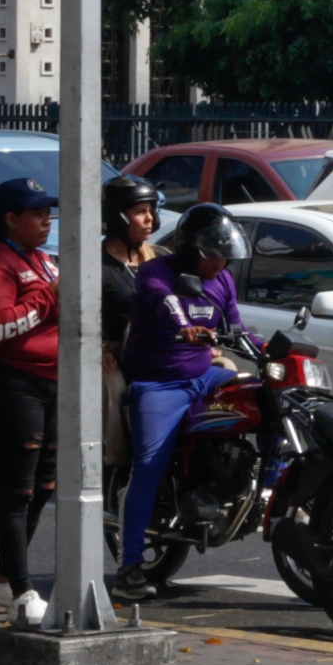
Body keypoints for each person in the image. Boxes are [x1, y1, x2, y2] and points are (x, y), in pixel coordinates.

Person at [113, 203, 253, 601]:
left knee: (263, 397)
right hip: (159, 384)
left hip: (204, 377)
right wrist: (185, 328)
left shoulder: (223, 279)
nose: (220, 262)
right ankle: (129, 567)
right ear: (191, 250)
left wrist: (273, 349)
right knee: (149, 467)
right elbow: (165, 301)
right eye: (212, 254)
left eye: (225, 255)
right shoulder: (157, 271)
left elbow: (236, 328)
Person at [0, 178, 60, 623]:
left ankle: (3, 582)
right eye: (37, 213)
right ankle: (23, 592)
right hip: (11, 385)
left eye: (49, 212)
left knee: (45, 487)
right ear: (11, 218)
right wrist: (48, 299)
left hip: (55, 383)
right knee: (17, 489)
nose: (47, 220)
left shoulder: (44, 262)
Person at [100, 175, 163, 481]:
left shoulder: (162, 260)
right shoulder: (95, 265)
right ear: (118, 216)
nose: (150, 218)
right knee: (115, 388)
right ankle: (117, 465)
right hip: (117, 352)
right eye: (141, 211)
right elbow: (73, 313)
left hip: (162, 347)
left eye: (152, 209)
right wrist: (98, 349)